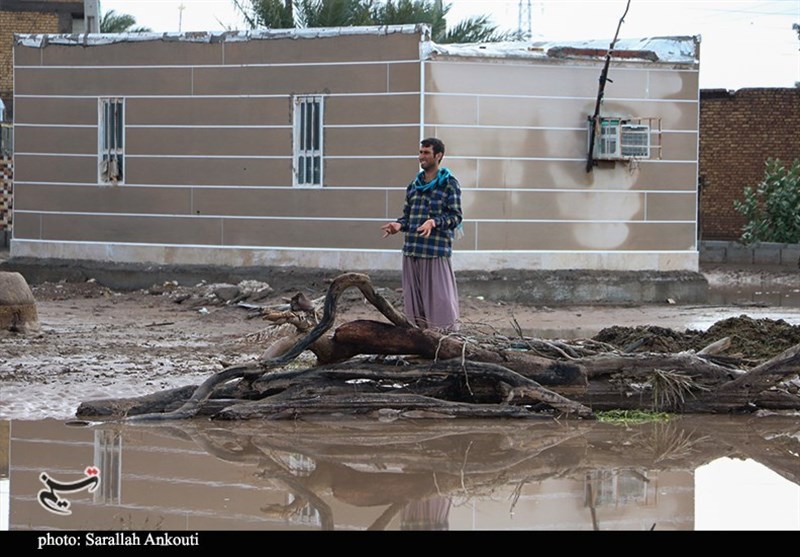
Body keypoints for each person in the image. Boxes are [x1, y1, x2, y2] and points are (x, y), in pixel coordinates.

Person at [381, 137, 462, 332]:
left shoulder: (449, 184)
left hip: (435, 252)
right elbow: (408, 218)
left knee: (441, 303)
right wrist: (398, 226)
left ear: (438, 155)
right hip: (412, 251)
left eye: (426, 153)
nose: (421, 157)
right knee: (414, 306)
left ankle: (446, 342)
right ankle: (419, 343)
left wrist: (434, 222)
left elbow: (456, 217)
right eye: (420, 152)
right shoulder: (413, 186)